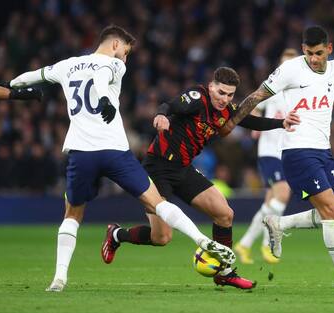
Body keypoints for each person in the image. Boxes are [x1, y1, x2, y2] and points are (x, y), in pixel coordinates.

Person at [9, 25, 235, 292]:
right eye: (126, 52)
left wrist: (15, 90)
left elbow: (27, 78)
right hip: (115, 151)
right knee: (157, 202)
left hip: (80, 153)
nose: (125, 59)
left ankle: (59, 279)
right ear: (115, 45)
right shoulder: (114, 65)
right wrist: (105, 99)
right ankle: (200, 239)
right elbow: (101, 76)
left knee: (72, 215)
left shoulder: (67, 65)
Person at [101, 66, 300, 289]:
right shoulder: (197, 97)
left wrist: (280, 123)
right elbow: (169, 105)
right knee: (162, 238)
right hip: (158, 168)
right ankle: (117, 234)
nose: (225, 99)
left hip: (183, 169)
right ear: (211, 86)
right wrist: (160, 116)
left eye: (230, 94)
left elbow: (248, 120)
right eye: (221, 92)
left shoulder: (225, 111)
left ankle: (224, 272)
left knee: (225, 214)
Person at [221, 26, 334, 292]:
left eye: (318, 53)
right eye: (308, 53)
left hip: (324, 152)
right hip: (298, 151)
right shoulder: (291, 70)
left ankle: (279, 223)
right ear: (302, 50)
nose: (313, 58)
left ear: (329, 49)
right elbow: (256, 96)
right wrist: (231, 122)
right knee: (331, 213)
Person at [235, 48, 305, 264]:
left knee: (271, 201)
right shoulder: (272, 87)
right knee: (282, 193)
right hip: (269, 151)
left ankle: (245, 244)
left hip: (288, 151)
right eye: (283, 64)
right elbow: (255, 104)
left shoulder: (302, 91)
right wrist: (255, 124)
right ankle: (267, 244)